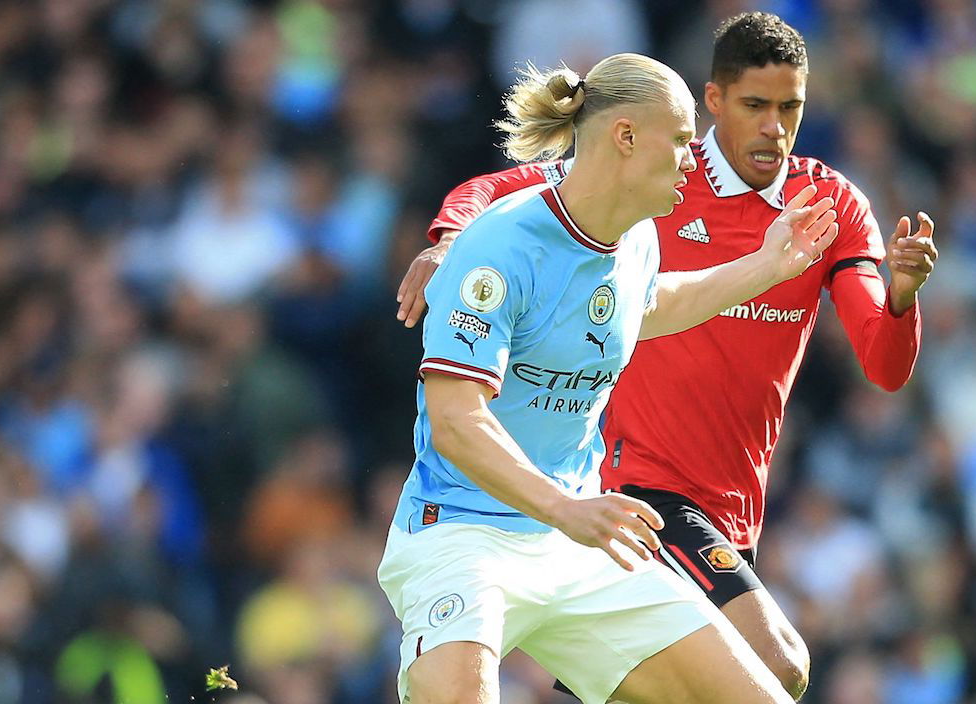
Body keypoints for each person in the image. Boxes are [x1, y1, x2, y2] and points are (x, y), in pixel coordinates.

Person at [394, 12, 937, 699]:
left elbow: (666, 302)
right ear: (712, 102)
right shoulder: (588, 209)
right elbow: (495, 203)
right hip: (580, 503)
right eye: (753, 107)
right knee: (777, 660)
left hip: (677, 514)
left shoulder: (796, 209)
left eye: (790, 108)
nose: (773, 126)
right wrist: (447, 241)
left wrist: (863, 286)